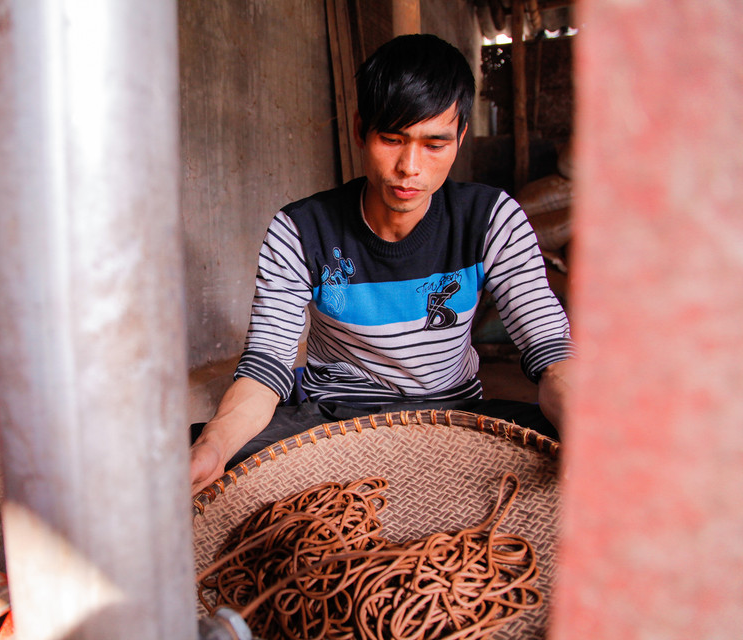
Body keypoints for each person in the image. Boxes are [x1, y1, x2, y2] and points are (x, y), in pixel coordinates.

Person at [190, 34, 574, 495]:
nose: (409, 166)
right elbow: (265, 368)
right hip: (336, 419)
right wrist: (214, 444)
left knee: (569, 439)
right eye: (392, 139)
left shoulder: (492, 219)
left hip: (455, 415)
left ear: (460, 138)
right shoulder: (300, 230)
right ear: (360, 130)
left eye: (434, 144)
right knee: (204, 451)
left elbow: (551, 353)